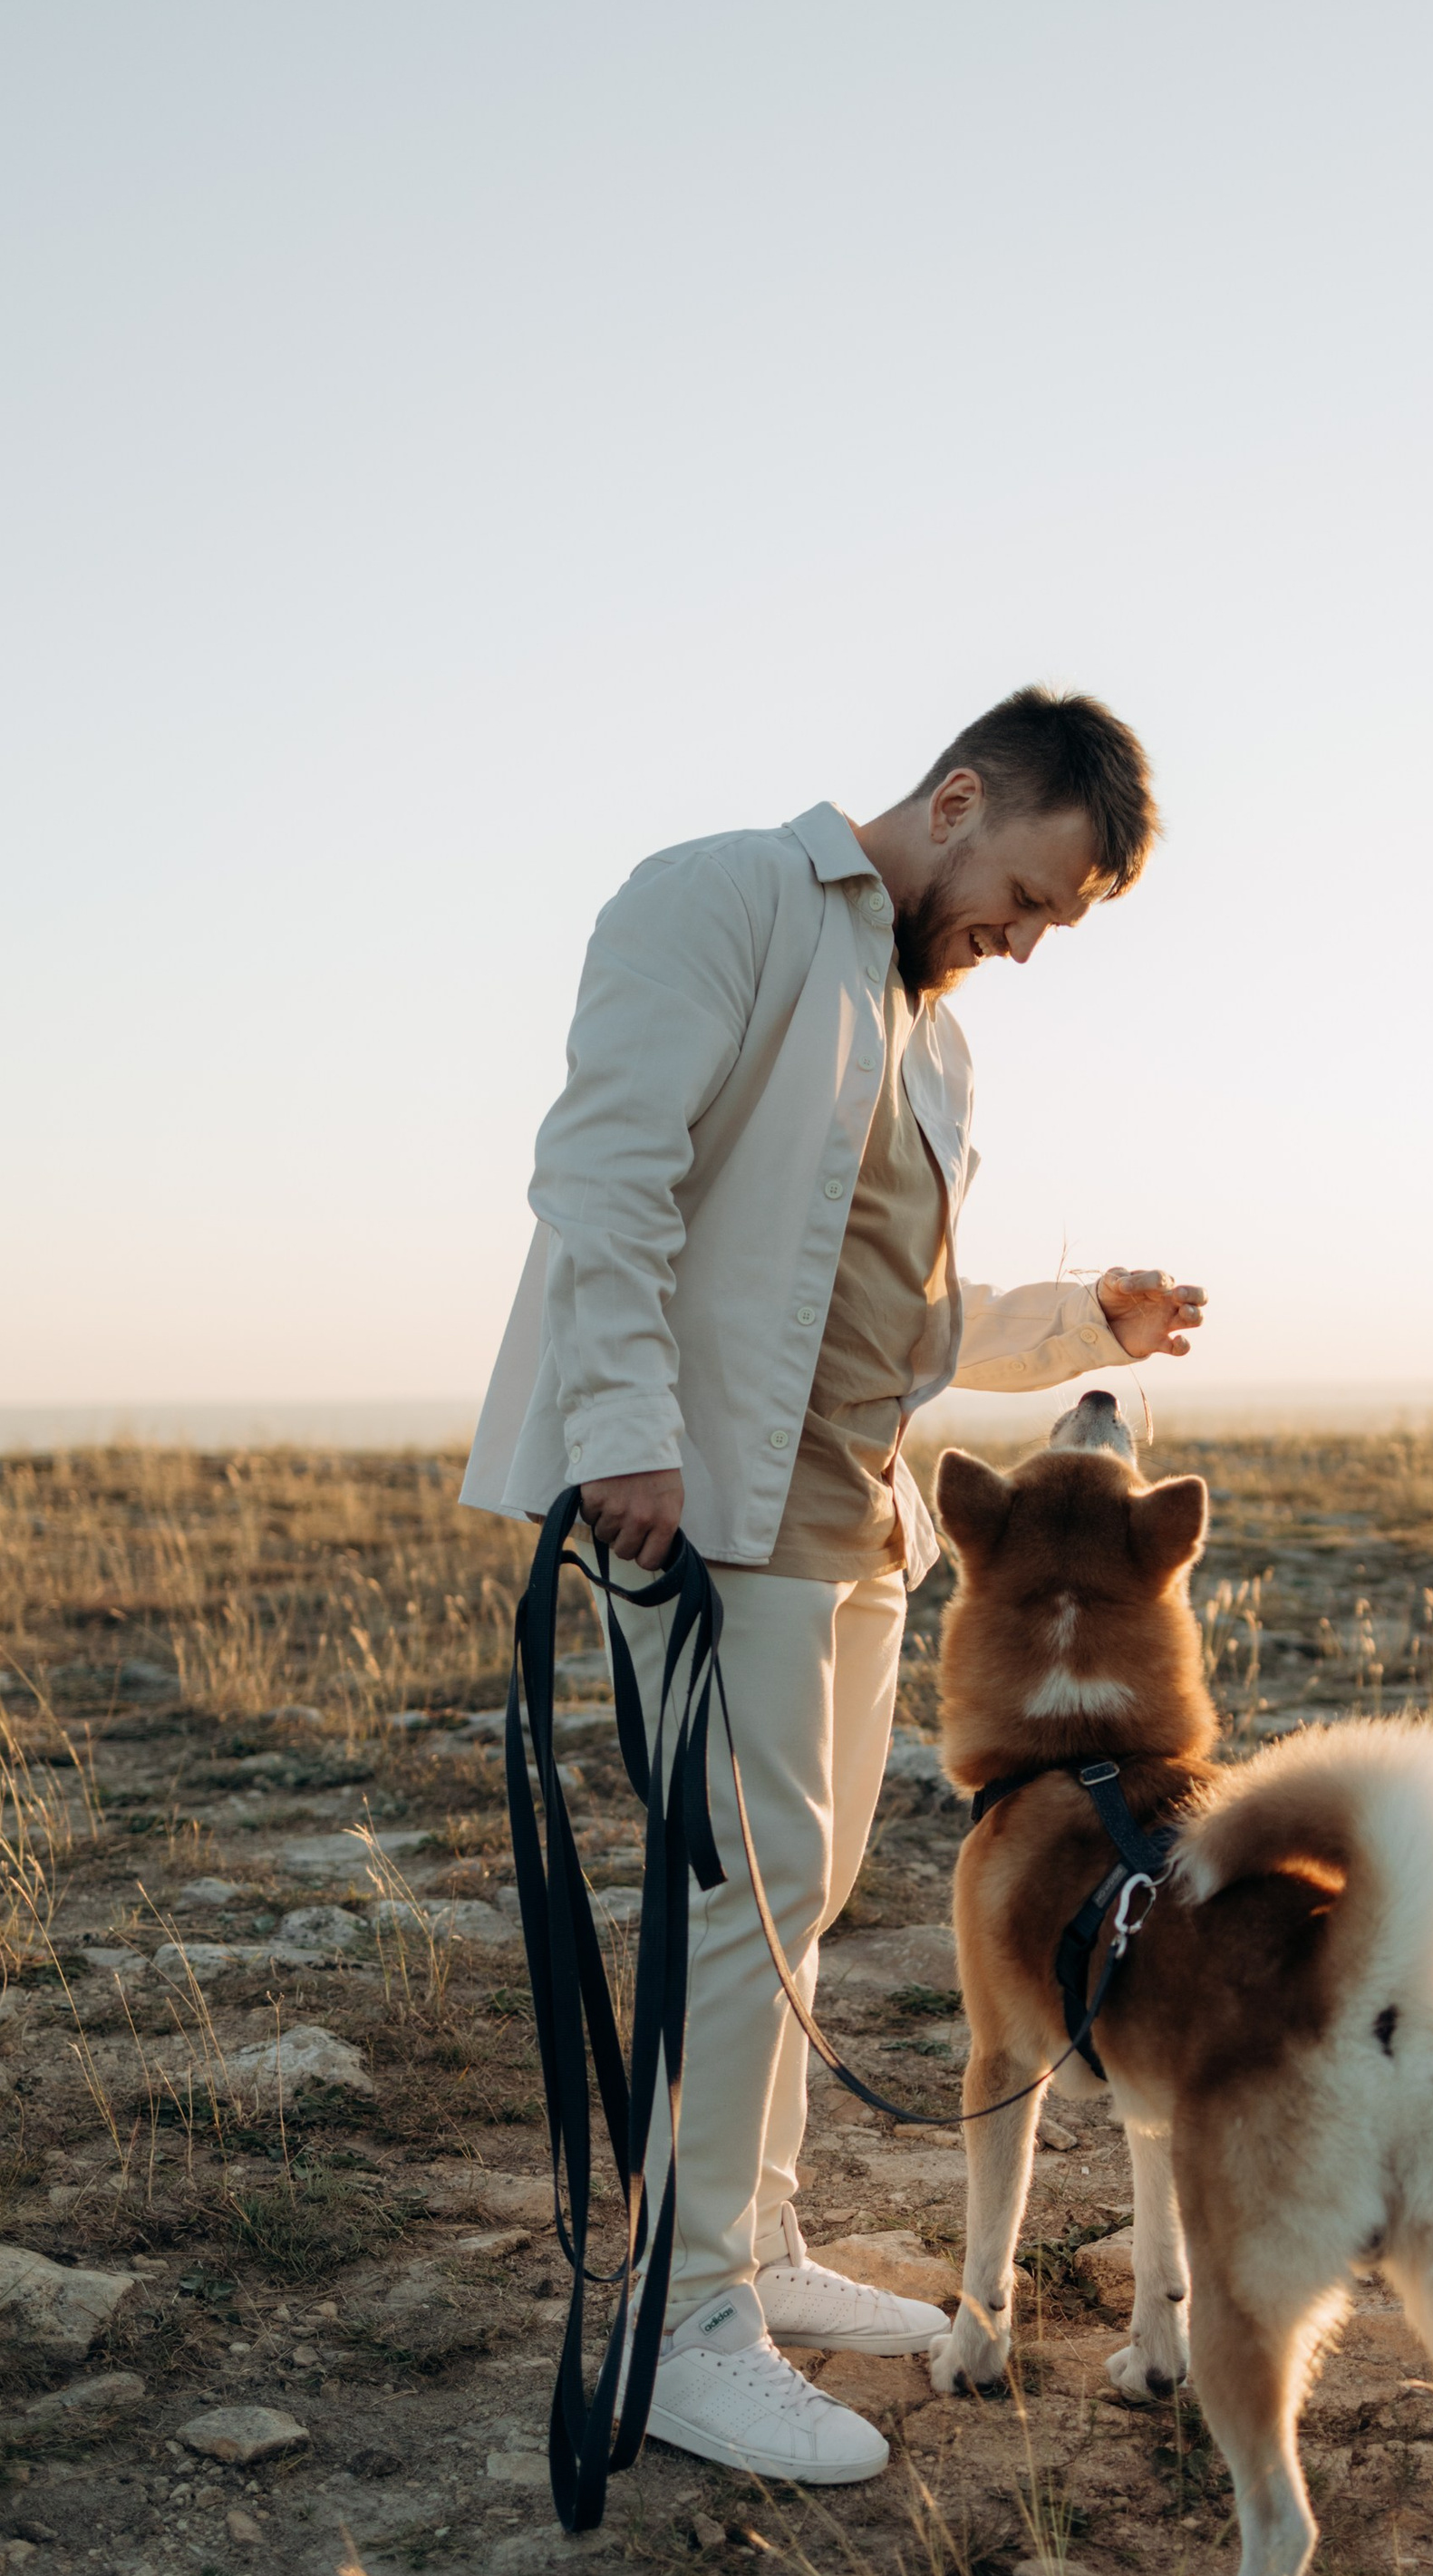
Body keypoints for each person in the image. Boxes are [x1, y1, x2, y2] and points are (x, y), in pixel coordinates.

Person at [463, 687, 1204, 2482]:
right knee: (739, 1890)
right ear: (955, 800)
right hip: (703, 1492)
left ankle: (758, 2250)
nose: (1017, 947)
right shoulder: (715, 899)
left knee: (796, 1892)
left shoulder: (930, 1044)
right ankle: (685, 2326)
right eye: (1021, 899)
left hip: (855, 1509)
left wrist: (1076, 1330)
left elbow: (902, 1320)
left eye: (1046, 929)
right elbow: (603, 1181)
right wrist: (624, 1432)